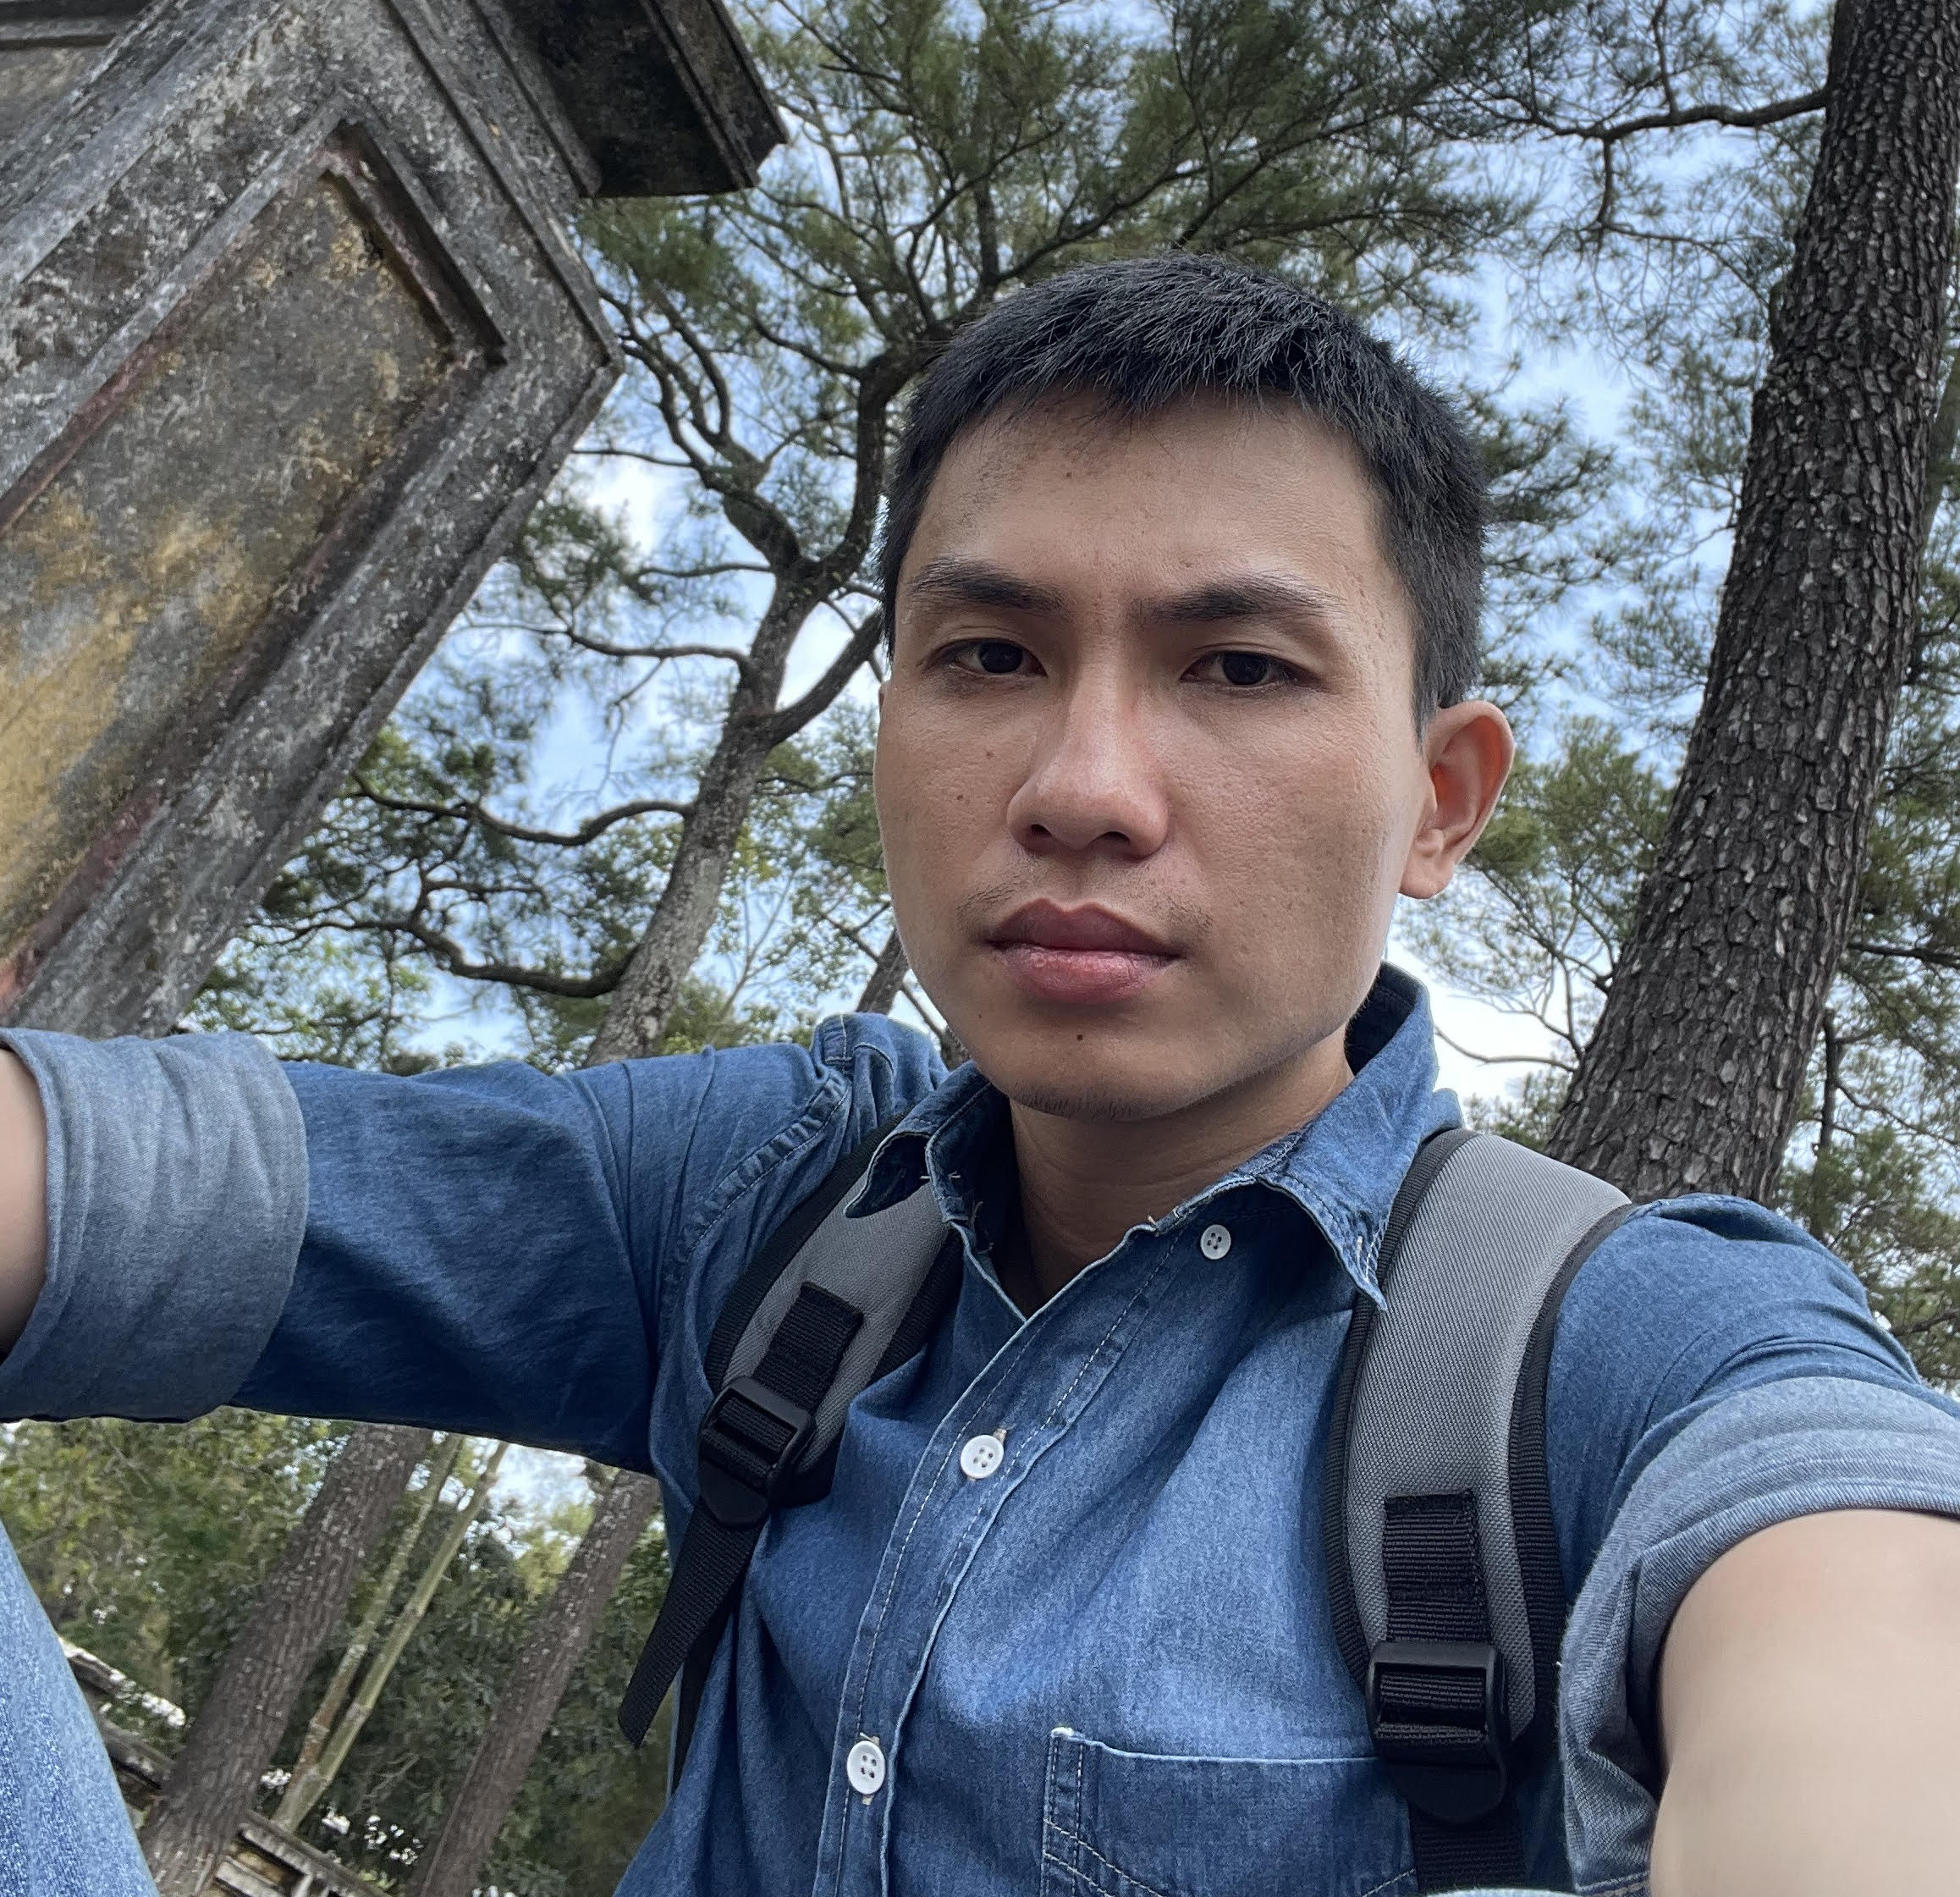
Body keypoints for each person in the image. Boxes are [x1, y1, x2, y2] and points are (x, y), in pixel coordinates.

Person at [3, 251, 1960, 1897]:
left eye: (1240, 667)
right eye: (991, 655)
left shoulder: (1618, 1343)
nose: (1083, 788)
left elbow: (1853, 1628)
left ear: (1439, 799)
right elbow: (151, 1181)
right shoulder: (770, 1196)